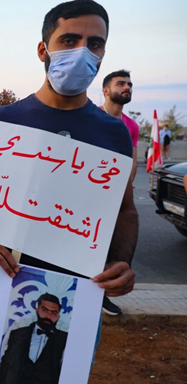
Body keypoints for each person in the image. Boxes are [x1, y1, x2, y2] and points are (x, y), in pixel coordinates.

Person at [0, 0, 138, 357]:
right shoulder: (3, 123)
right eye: (69, 40)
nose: (82, 52)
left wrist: (121, 262)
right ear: (42, 50)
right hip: (14, 290)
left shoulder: (114, 133)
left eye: (94, 43)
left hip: (83, 294)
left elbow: (125, 209)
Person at [100, 69, 139, 316]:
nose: (127, 87)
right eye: (121, 83)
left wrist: (123, 192)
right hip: (90, 195)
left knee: (113, 248)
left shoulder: (131, 126)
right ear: (106, 90)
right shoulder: (91, 117)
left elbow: (131, 161)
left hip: (116, 197)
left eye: (129, 84)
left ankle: (103, 296)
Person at [0, 293, 68, 384]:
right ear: (37, 311)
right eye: (44, 310)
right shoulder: (17, 334)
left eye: (54, 313)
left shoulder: (65, 339)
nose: (48, 316)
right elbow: (4, 368)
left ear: (58, 317)